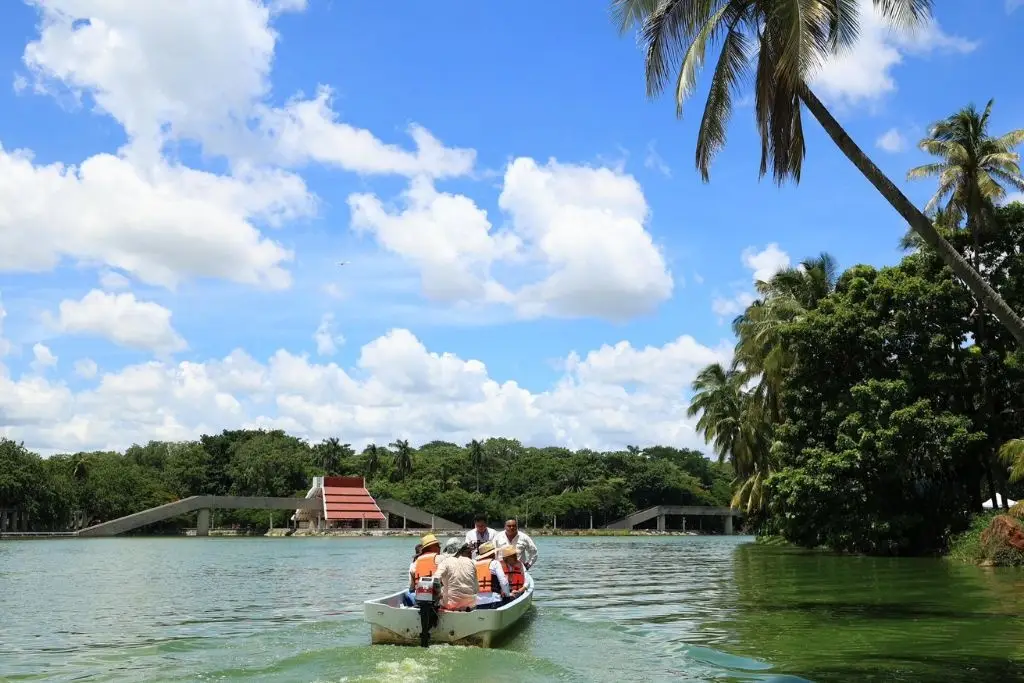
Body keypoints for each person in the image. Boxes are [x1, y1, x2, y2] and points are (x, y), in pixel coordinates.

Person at [434, 540, 478, 611]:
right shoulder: (471, 562)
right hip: (471, 605)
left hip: (450, 604)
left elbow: (435, 580)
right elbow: (476, 588)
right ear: (460, 550)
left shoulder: (445, 562)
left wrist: (439, 595)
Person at [403, 533, 442, 606]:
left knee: (407, 594)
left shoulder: (415, 563)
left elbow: (411, 586)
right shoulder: (441, 559)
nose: (440, 548)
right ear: (432, 547)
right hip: (438, 600)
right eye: (438, 546)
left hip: (420, 600)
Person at [473, 542, 509, 609]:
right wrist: (507, 595)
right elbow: (504, 582)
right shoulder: (495, 563)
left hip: (477, 603)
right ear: (492, 554)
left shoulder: (474, 564)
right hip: (493, 600)